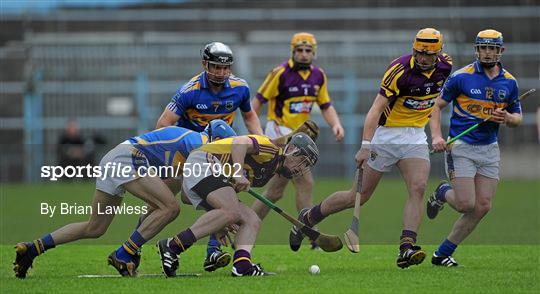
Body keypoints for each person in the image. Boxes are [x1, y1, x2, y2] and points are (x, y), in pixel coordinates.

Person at [287, 28, 453, 269]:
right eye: (419, 53)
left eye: (429, 54)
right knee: (357, 196)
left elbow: (436, 101)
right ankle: (308, 217)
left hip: (415, 136)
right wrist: (366, 146)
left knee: (417, 188)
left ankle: (407, 247)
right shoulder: (399, 71)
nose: (423, 58)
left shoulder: (446, 66)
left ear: (439, 53)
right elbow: (375, 110)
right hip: (385, 135)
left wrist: (436, 134)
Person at [13, 121, 236, 278]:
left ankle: (33, 248)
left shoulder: (190, 150)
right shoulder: (198, 143)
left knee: (94, 228)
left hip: (114, 158)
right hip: (128, 158)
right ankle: (124, 254)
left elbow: (189, 195)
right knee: (169, 208)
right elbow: (193, 193)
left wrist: (217, 214)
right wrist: (221, 213)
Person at [154, 41, 264, 272]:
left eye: (225, 68)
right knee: (161, 202)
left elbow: (250, 117)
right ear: (205, 64)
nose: (221, 73)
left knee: (226, 200)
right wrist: (175, 160)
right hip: (189, 155)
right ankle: (132, 249)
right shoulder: (190, 91)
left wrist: (260, 141)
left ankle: (213, 252)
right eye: (215, 67)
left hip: (220, 155)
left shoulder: (240, 88)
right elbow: (163, 124)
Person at [156, 132, 319, 277]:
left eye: (306, 166)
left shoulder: (267, 174)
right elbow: (239, 142)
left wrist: (220, 222)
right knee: (232, 211)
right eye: (302, 161)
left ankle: (242, 266)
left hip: (209, 173)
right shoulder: (270, 148)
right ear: (290, 149)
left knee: (251, 220)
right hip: (204, 162)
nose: (302, 168)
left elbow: (218, 195)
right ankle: (173, 246)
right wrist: (238, 173)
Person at [427, 29, 522, 266]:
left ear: (501, 51)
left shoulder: (509, 82)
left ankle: (442, 253)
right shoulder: (461, 77)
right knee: (465, 204)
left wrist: (507, 118)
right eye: (483, 48)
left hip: (489, 149)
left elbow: (517, 119)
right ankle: (442, 192)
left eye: (492, 48)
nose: (487, 53)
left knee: (482, 206)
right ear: (476, 50)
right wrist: (437, 136)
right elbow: (436, 107)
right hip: (461, 146)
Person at [250, 32, 344, 249]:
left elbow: (325, 105)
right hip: (280, 133)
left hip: (299, 138)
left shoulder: (318, 76)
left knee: (274, 191)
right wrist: (260, 134)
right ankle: (310, 233)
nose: (303, 54)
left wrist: (336, 124)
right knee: (305, 182)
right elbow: (256, 103)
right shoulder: (280, 73)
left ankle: (243, 225)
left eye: (308, 51)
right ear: (293, 52)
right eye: (299, 50)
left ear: (313, 53)